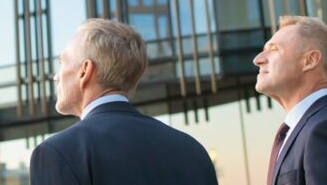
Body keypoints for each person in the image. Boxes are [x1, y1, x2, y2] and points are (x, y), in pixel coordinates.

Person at [29, 18, 217, 184]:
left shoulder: (57, 153)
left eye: (62, 63)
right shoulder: (192, 150)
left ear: (84, 71)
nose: (56, 76)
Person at [253, 16, 327, 185]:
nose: (258, 60)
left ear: (309, 60)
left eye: (274, 49)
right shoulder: (305, 128)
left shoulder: (322, 126)